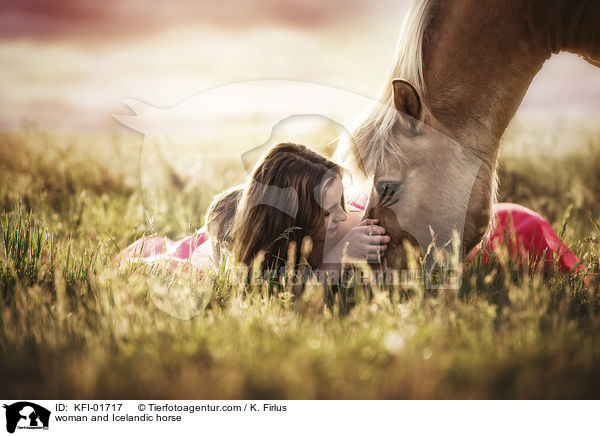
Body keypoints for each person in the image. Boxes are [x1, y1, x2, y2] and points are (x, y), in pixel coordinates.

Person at [120, 142, 584, 278]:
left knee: (523, 226)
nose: (348, 218)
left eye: (343, 203)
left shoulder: (349, 217)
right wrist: (336, 261)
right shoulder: (258, 260)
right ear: (297, 227)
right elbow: (269, 285)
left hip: (503, 229)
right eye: (332, 214)